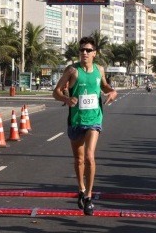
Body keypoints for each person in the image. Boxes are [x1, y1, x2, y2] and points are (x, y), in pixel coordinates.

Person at [52, 36, 117, 216]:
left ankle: (89, 196)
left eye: (88, 50)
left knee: (89, 156)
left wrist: (113, 92)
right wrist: (66, 98)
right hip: (76, 121)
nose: (84, 53)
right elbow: (56, 92)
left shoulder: (99, 70)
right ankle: (81, 189)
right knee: (79, 160)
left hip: (94, 119)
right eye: (82, 50)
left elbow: (104, 86)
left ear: (94, 53)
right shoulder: (72, 70)